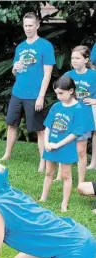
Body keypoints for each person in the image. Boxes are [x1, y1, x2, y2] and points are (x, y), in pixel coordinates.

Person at [0, 12, 55, 172]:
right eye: (26, 25)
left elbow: (48, 74)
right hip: (18, 93)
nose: (28, 29)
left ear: (37, 26)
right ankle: (7, 154)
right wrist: (14, 68)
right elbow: (15, 72)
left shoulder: (45, 46)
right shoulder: (21, 47)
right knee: (11, 124)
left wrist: (41, 97)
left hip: (34, 95)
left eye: (31, 25)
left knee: (40, 130)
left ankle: (43, 162)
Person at [39, 76, 84, 212]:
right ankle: (43, 198)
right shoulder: (56, 106)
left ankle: (64, 203)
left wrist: (58, 145)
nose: (58, 97)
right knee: (48, 173)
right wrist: (46, 142)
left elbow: (75, 133)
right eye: (56, 93)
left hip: (66, 147)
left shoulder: (78, 109)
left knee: (66, 175)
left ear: (71, 91)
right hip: (50, 145)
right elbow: (47, 126)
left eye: (61, 93)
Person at [55, 46, 96, 181]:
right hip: (68, 118)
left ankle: (81, 181)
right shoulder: (67, 76)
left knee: (81, 151)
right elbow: (59, 94)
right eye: (73, 58)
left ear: (86, 60)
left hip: (85, 119)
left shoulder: (93, 75)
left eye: (78, 58)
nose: (74, 61)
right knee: (64, 147)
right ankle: (60, 176)